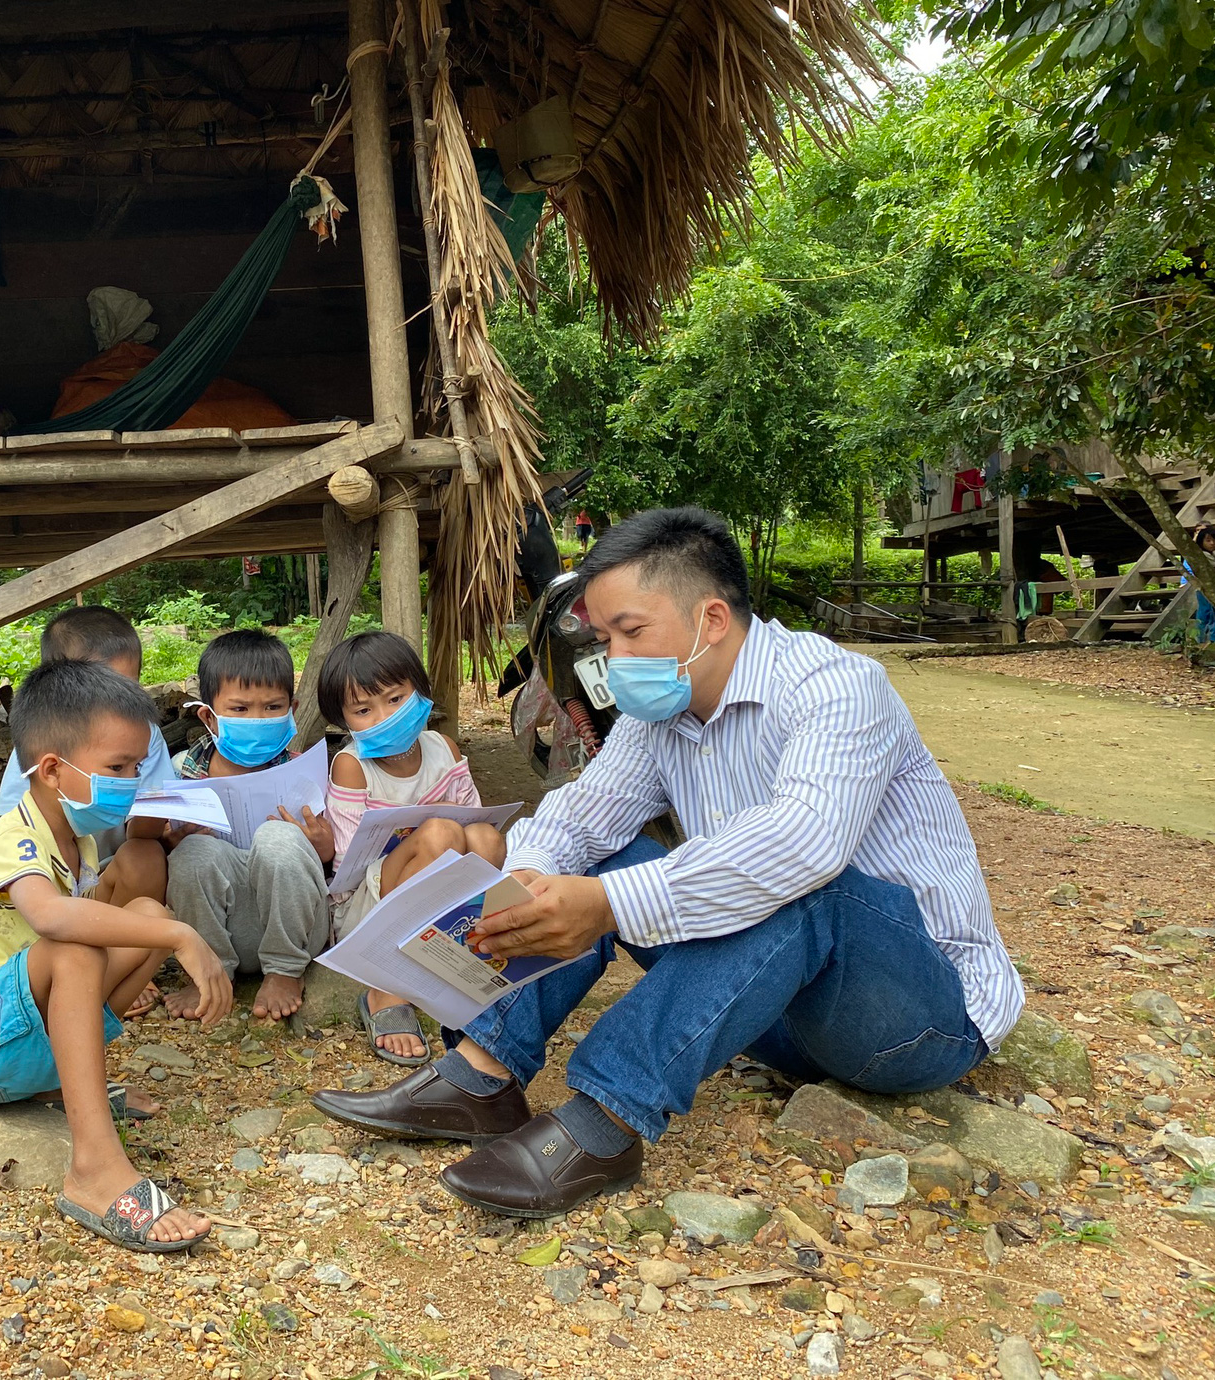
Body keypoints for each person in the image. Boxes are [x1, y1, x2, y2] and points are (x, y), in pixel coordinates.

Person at [313, 507, 1022, 1218]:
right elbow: (579, 817)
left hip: (914, 1020)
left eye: (630, 631)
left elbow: (801, 844)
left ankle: (607, 1120)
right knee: (595, 855)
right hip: (775, 1018)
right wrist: (526, 880)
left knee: (805, 882)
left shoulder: (836, 688)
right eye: (604, 637)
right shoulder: (661, 716)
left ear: (711, 619)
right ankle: (481, 1077)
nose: (612, 658)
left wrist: (610, 905)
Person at [0, 659, 232, 1251]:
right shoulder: (14, 836)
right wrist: (186, 938)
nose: (133, 781)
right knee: (76, 945)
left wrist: (164, 927)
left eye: (136, 766)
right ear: (53, 770)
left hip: (11, 1045)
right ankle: (94, 1169)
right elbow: (53, 919)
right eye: (117, 768)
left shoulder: (76, 840)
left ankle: (63, 1089)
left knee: (146, 917)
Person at [320, 631, 505, 1064]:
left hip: (443, 896)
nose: (383, 717)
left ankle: (455, 951)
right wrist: (426, 826)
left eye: (395, 699)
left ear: (419, 692)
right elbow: (349, 867)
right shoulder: (352, 766)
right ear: (343, 720)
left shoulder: (443, 748)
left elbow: (476, 823)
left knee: (485, 837)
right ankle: (386, 987)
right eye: (364, 710)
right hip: (368, 905)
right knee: (441, 832)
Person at [162, 630, 333, 1023]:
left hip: (297, 927)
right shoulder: (182, 774)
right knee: (192, 853)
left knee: (277, 837)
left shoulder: (301, 768)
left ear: (292, 709)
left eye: (272, 707)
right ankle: (211, 969)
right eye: (239, 709)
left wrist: (322, 845)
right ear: (209, 715)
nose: (257, 719)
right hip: (228, 923)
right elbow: (170, 856)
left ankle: (285, 971)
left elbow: (326, 861)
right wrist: (172, 842)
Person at [0, 606, 171, 913]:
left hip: (106, 881)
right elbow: (5, 829)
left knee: (146, 860)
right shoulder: (44, 739)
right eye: (104, 687)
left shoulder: (145, 736)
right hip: (44, 887)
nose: (118, 700)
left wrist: (164, 822)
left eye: (128, 687)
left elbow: (146, 827)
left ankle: (114, 951)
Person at [1183, 525, 1215, 644]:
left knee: (1204, 615)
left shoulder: (1208, 554)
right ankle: (1212, 640)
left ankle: (1202, 640)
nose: (1213, 543)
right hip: (1208, 589)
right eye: (1208, 540)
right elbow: (1214, 572)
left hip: (1203, 589)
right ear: (1201, 541)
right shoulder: (1203, 555)